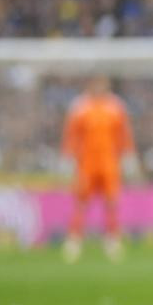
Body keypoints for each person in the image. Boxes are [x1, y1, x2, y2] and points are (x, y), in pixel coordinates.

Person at [61, 75, 137, 263]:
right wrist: (68, 156)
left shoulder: (116, 106)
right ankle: (74, 240)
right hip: (86, 162)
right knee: (82, 202)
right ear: (90, 84)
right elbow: (71, 134)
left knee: (111, 202)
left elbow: (123, 134)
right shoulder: (80, 106)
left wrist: (128, 156)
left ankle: (112, 241)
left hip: (109, 162)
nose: (100, 86)